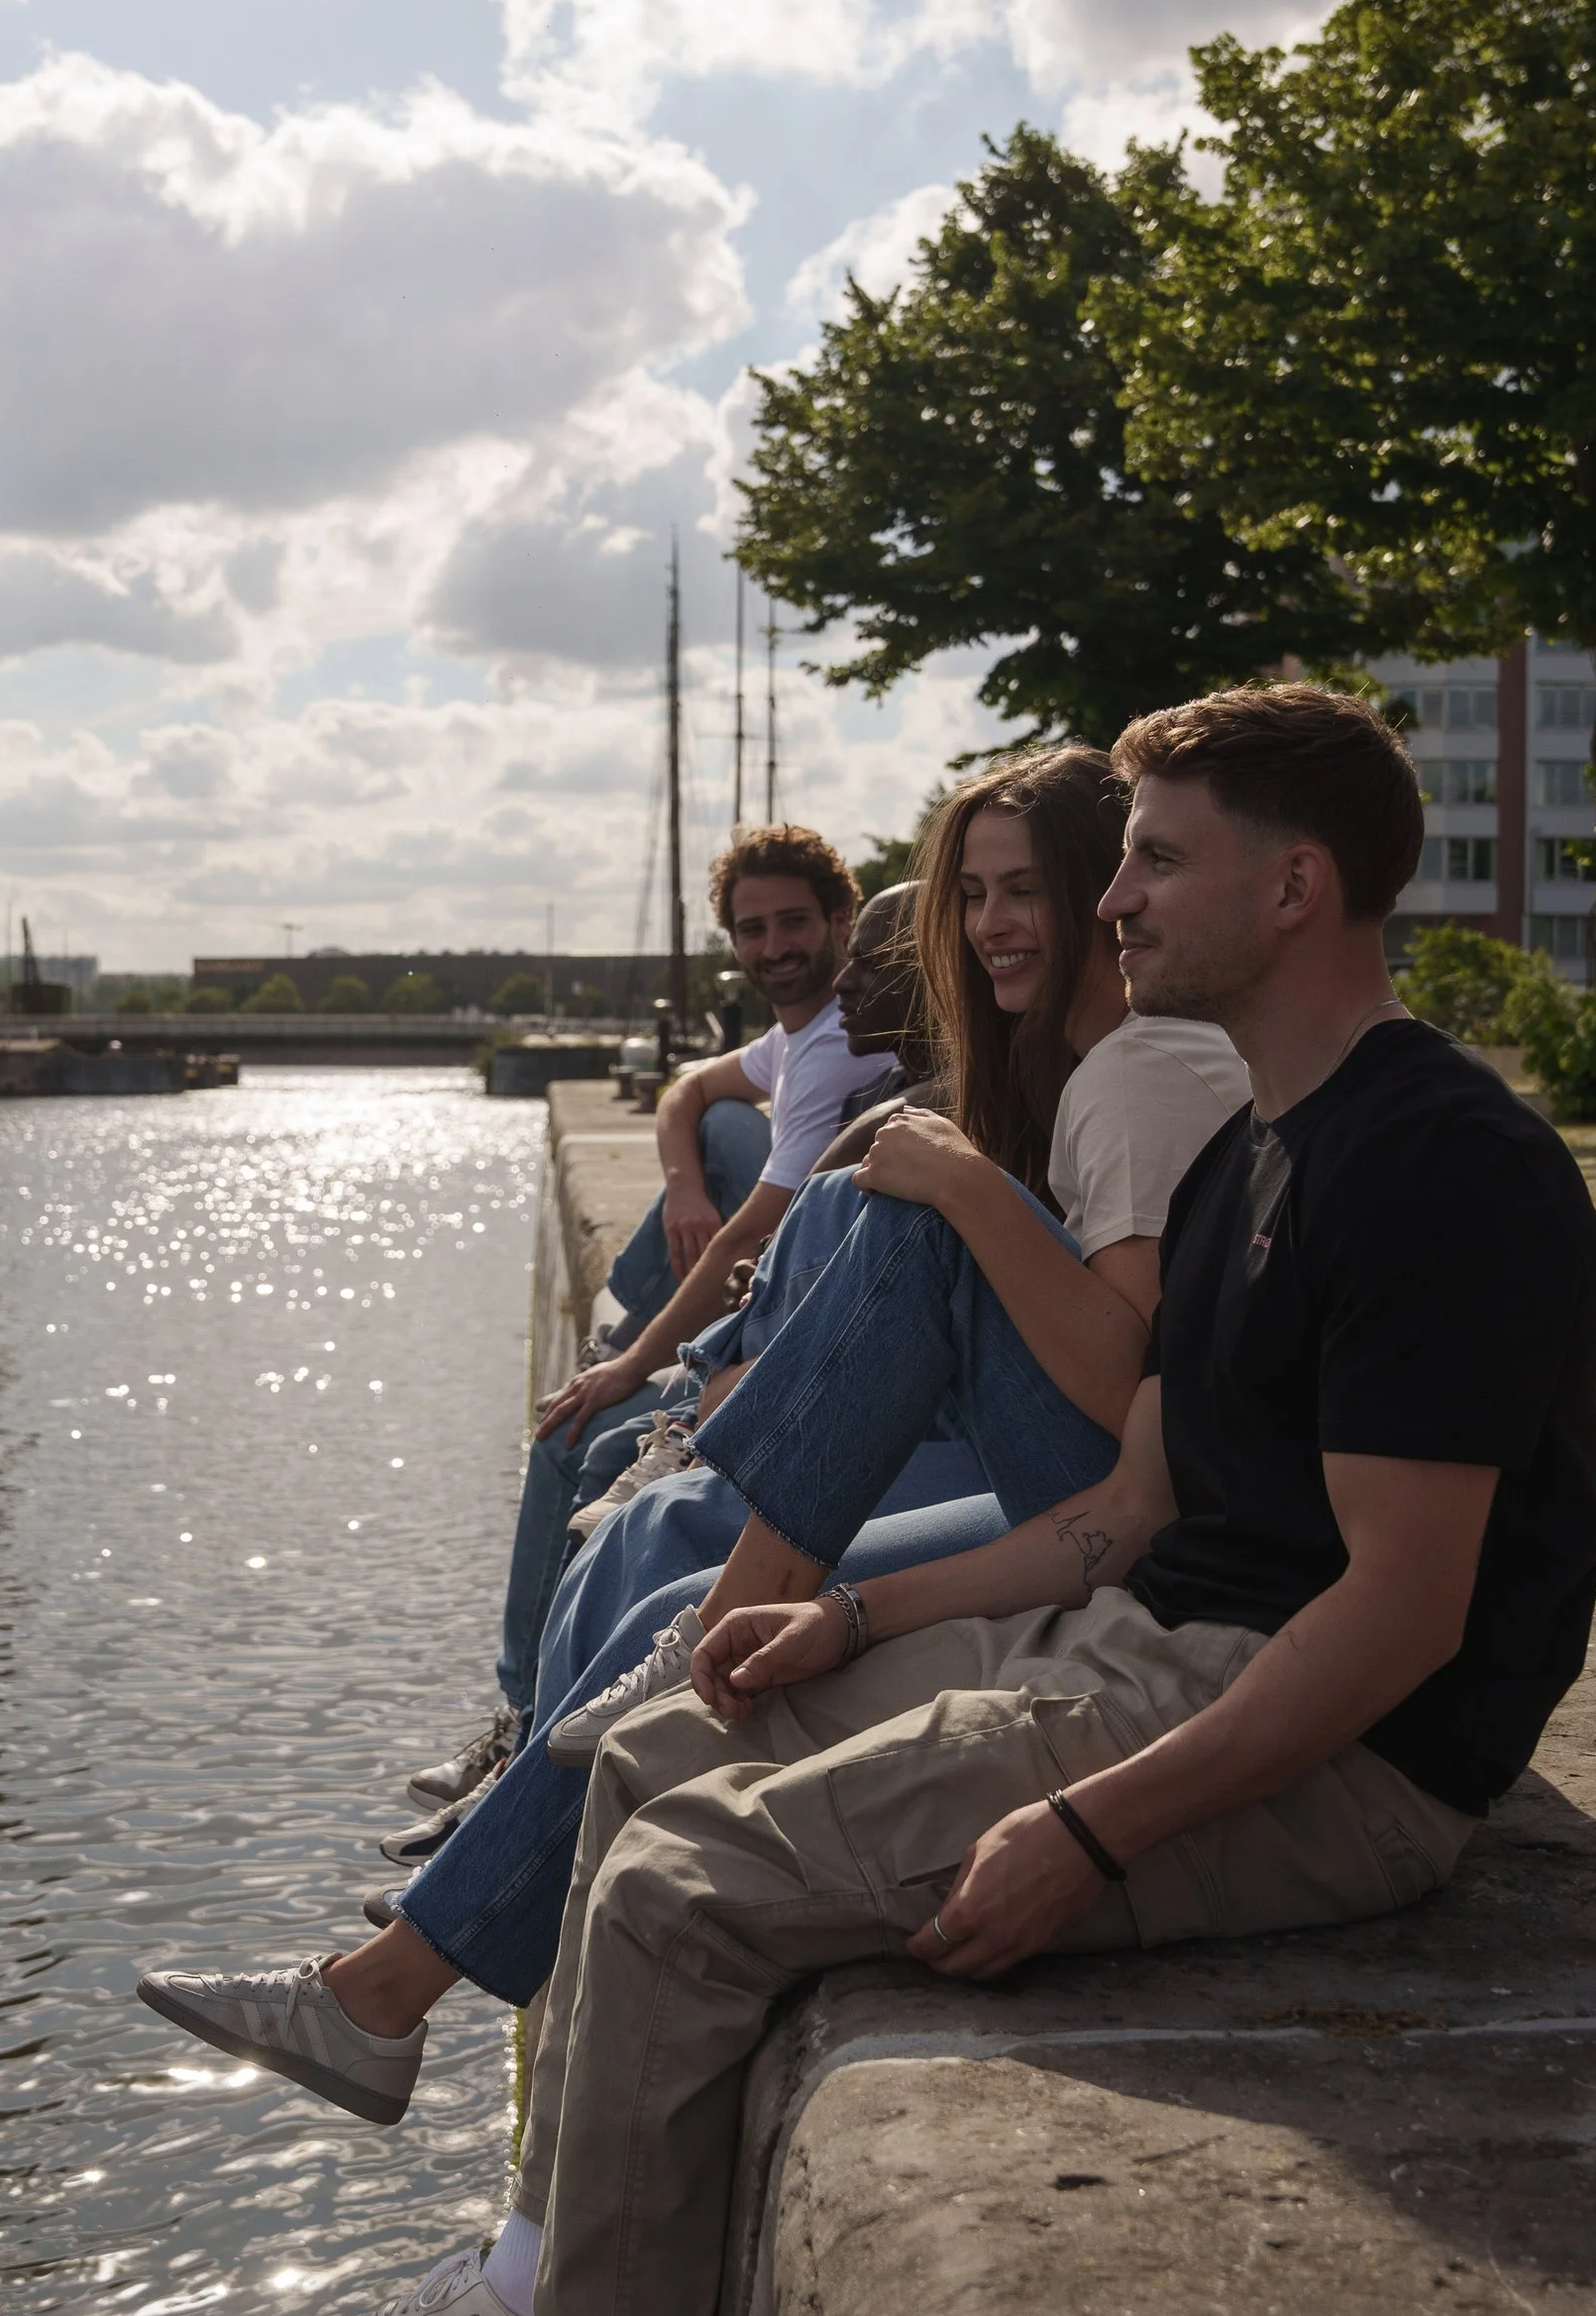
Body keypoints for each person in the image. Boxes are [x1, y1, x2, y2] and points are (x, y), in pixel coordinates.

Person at [272, 681, 1596, 2316]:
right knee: (655, 1731)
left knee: (676, 1889)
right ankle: (549, 2290)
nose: (1112, 897)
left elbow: (1401, 1623)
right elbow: (1133, 1512)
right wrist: (853, 1627)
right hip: (1160, 1642)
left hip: (1320, 1749)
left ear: (1295, 879)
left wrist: (1087, 1824)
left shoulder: (1437, 1168)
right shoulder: (1258, 1144)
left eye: (1152, 856)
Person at [136, 747, 1252, 2121]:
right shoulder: (1095, 1070)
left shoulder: (1137, 1077)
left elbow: (1118, 1377)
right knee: (698, 1563)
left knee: (898, 1223)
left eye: (1032, 890)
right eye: (972, 894)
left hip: (1139, 1508)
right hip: (1105, 1483)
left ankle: (404, 2009)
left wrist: (963, 1189)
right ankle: (382, 1993)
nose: (991, 925)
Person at [392, 821, 889, 1854]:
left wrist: (627, 1362)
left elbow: (755, 1233)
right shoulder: (793, 1040)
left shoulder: (844, 1035)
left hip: (789, 1312)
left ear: (841, 920)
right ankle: (520, 1722)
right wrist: (674, 1180)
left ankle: (525, 1734)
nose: (773, 947)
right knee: (710, 1141)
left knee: (592, 1434)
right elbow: (688, 1090)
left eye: (794, 922)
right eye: (751, 929)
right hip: (756, 1288)